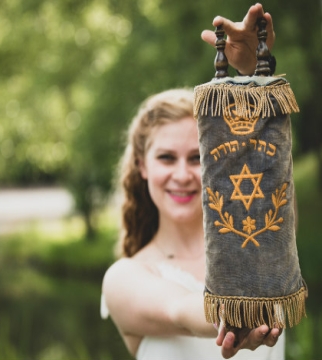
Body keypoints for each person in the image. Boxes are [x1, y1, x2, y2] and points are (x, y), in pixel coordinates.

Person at [101, 4, 285, 359]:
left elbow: (270, 161)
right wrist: (233, 321)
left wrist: (252, 72)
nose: (184, 175)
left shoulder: (254, 247)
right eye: (167, 157)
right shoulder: (124, 278)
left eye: (199, 158)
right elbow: (181, 311)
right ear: (142, 166)